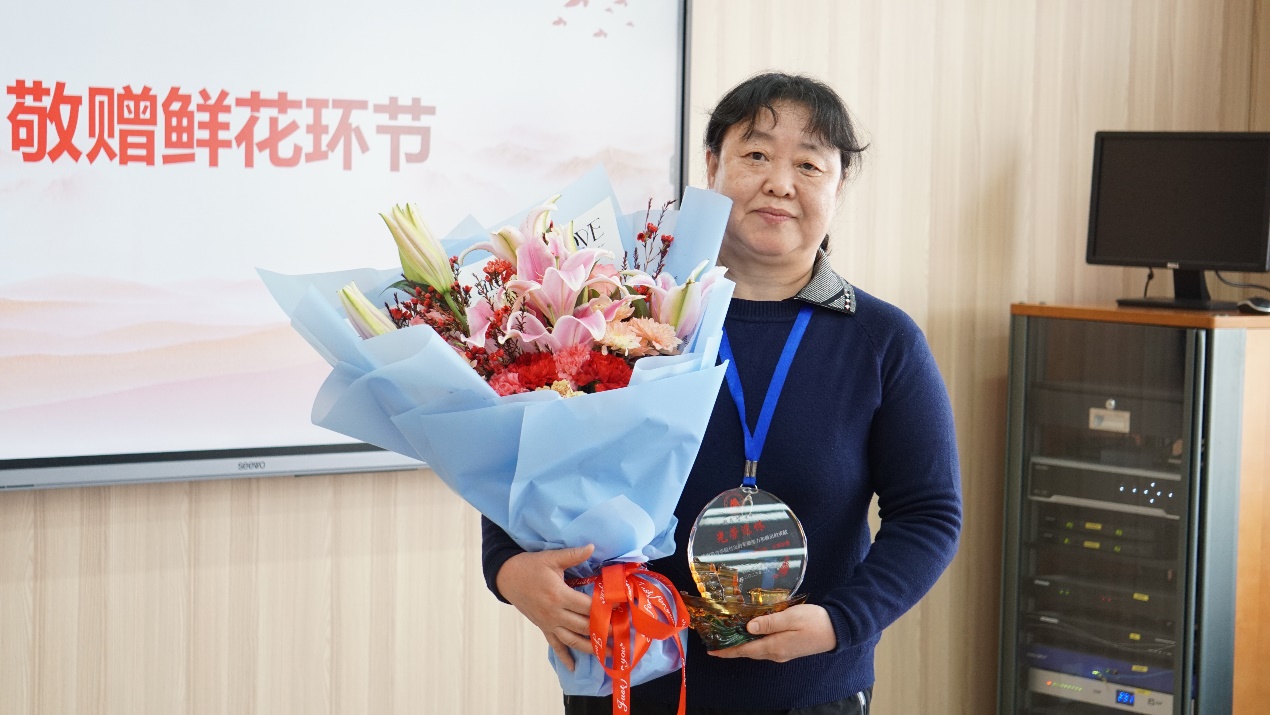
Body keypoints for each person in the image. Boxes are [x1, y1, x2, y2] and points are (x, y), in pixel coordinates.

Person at [481, 72, 962, 715]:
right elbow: (527, 455)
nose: (780, 183)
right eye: (756, 154)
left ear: (839, 186)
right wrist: (508, 568)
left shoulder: (881, 341)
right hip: (629, 679)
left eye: (809, 165)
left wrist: (842, 620)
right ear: (712, 165)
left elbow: (930, 513)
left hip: (807, 691)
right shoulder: (624, 315)